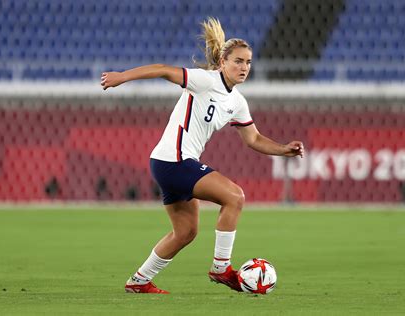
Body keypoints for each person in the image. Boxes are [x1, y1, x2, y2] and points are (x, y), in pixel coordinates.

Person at [101, 17, 304, 294]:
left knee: (186, 232)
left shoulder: (237, 102)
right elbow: (162, 70)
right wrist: (122, 77)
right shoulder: (204, 81)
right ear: (223, 62)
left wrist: (283, 149)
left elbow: (253, 138)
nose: (244, 67)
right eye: (238, 61)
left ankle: (138, 281)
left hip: (171, 163)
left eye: (248, 62)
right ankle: (221, 269)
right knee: (235, 196)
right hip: (174, 160)